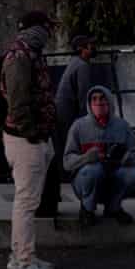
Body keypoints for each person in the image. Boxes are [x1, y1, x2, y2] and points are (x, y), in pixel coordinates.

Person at [1, 11, 61, 269]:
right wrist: (33, 135)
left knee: (27, 201)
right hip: (25, 140)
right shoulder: (20, 57)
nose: (49, 33)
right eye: (47, 27)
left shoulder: (30, 54)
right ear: (36, 29)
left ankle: (19, 256)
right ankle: (25, 264)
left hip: (31, 138)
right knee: (26, 203)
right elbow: (18, 103)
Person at [63, 86, 135, 226]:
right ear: (89, 103)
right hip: (86, 181)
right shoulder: (78, 126)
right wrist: (86, 158)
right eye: (94, 99)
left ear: (110, 101)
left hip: (113, 178)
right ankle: (87, 210)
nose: (98, 102)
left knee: (132, 174)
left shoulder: (123, 126)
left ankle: (113, 207)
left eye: (102, 98)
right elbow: (67, 162)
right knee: (93, 170)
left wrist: (129, 159)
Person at [39, 35, 97, 216]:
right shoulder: (83, 66)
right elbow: (84, 98)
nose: (93, 48)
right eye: (90, 45)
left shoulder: (74, 63)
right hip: (67, 117)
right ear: (82, 48)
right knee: (72, 156)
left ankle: (53, 195)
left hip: (60, 115)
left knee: (58, 155)